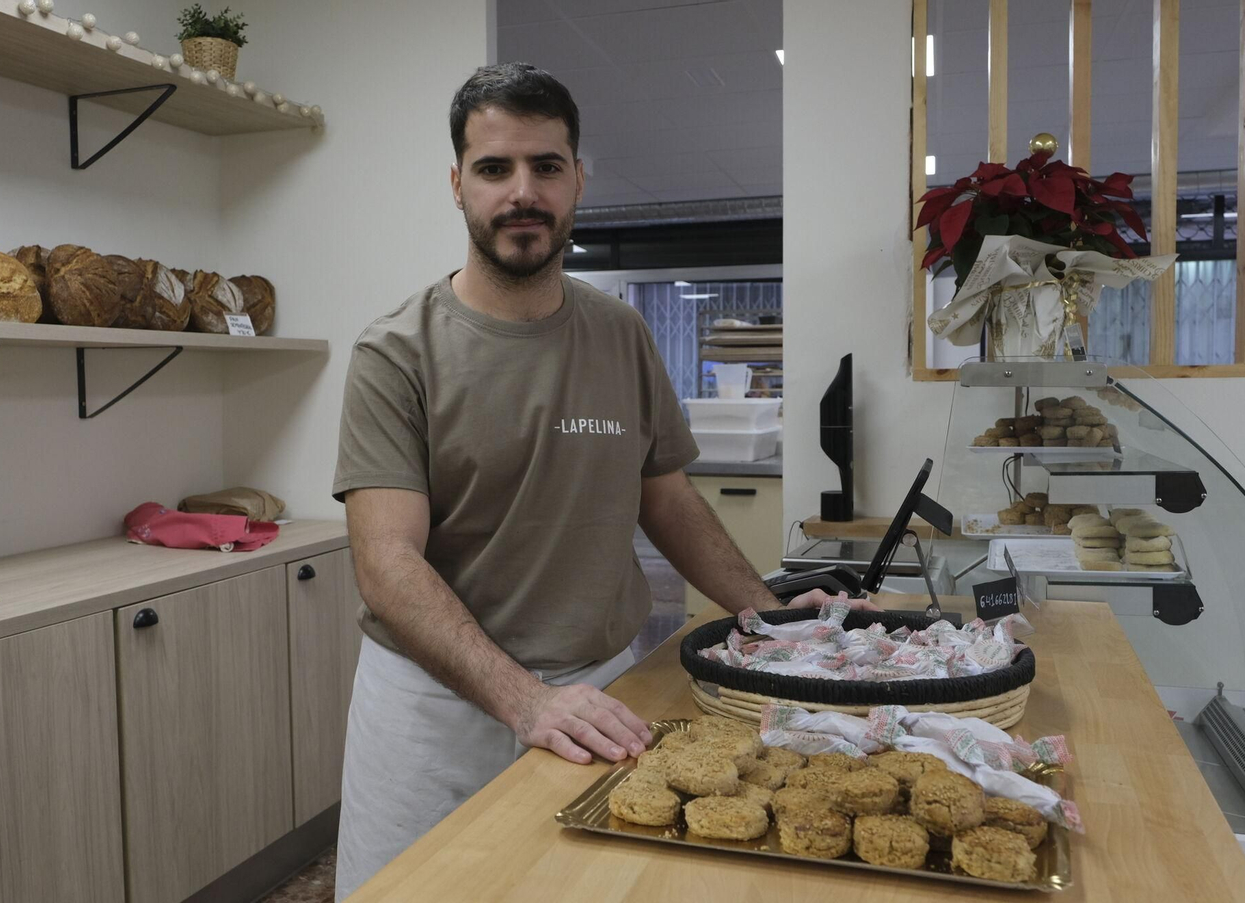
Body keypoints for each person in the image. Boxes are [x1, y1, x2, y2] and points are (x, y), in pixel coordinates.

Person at [330, 62, 868, 900]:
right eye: (495, 168)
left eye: (547, 166)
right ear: (457, 184)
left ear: (579, 178)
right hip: (437, 710)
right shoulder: (396, 352)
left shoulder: (619, 336)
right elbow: (387, 563)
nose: (523, 192)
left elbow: (668, 499)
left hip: (600, 684)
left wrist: (764, 613)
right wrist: (523, 699)